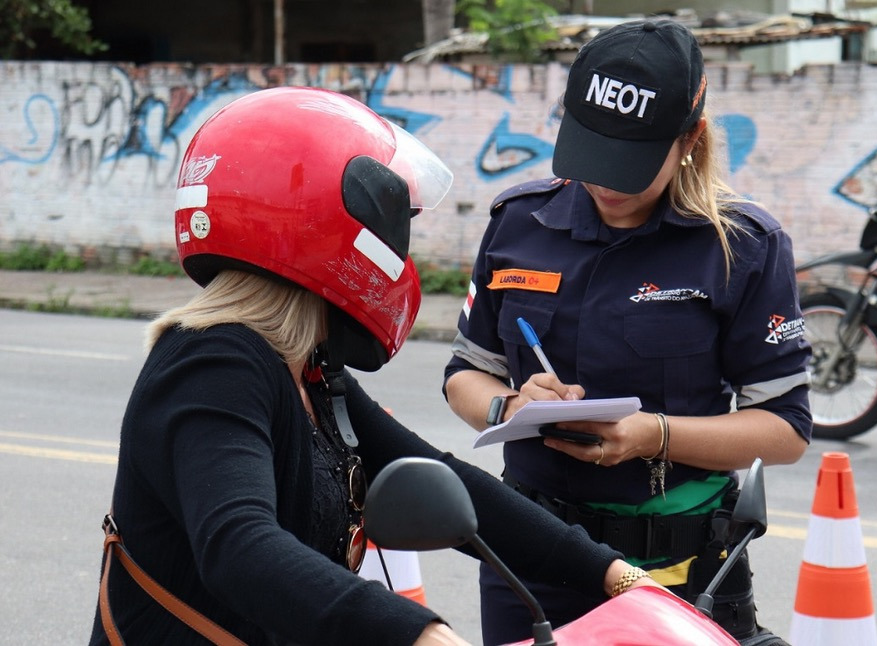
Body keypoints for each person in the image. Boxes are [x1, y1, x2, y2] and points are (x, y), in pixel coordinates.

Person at [88, 86, 666, 646]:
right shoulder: (212, 364)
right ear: (333, 226)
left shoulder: (310, 370)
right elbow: (242, 546)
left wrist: (615, 574)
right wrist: (423, 633)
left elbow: (439, 474)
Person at [443, 19, 811, 646]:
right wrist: (509, 405)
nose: (607, 182)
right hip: (527, 554)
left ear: (690, 138)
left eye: (631, 163)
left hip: (672, 567)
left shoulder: (744, 248)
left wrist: (655, 436)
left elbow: (785, 430)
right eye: (594, 153)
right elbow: (464, 374)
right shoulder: (518, 224)